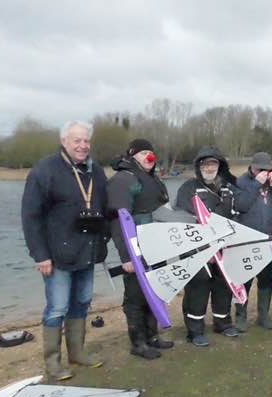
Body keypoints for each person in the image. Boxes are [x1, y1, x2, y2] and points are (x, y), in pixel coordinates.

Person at [21, 120, 107, 380]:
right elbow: (30, 218)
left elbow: (105, 208)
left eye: (86, 140)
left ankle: (77, 353)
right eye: (76, 140)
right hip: (57, 255)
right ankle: (53, 362)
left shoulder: (96, 170)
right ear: (64, 141)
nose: (83, 145)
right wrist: (40, 255)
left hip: (87, 251)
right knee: (57, 308)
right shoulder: (44, 170)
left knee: (81, 303)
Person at [107, 139, 174, 360]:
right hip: (135, 249)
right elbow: (117, 221)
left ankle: (152, 336)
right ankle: (138, 343)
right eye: (143, 153)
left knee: (153, 291)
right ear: (132, 155)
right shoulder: (123, 180)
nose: (149, 157)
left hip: (156, 247)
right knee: (135, 296)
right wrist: (126, 257)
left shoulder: (153, 179)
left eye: (150, 153)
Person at [175, 146, 240, 346]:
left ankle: (223, 323)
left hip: (224, 247)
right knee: (198, 289)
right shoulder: (188, 188)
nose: (209, 168)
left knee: (224, 286)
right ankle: (195, 331)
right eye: (205, 164)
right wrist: (205, 247)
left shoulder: (228, 189)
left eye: (213, 164)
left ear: (219, 166)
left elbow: (235, 217)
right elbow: (183, 221)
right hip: (198, 249)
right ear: (199, 166)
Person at [234, 152, 272, 331]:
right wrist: (256, 184)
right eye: (260, 169)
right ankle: (240, 317)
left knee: (266, 278)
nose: (264, 173)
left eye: (267, 170)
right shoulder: (241, 182)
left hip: (270, 239)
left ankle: (263, 316)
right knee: (244, 279)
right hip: (248, 239)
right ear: (252, 167)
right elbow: (240, 205)